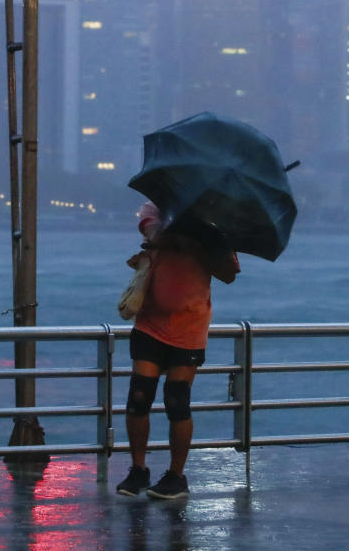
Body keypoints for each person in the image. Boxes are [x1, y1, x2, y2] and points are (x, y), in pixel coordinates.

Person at [116, 201, 239, 499]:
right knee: (139, 396)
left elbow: (229, 272)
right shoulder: (156, 208)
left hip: (190, 324)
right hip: (150, 321)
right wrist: (181, 233)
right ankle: (138, 469)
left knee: (177, 400)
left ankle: (176, 475)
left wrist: (204, 245)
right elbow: (152, 230)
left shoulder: (213, 226)